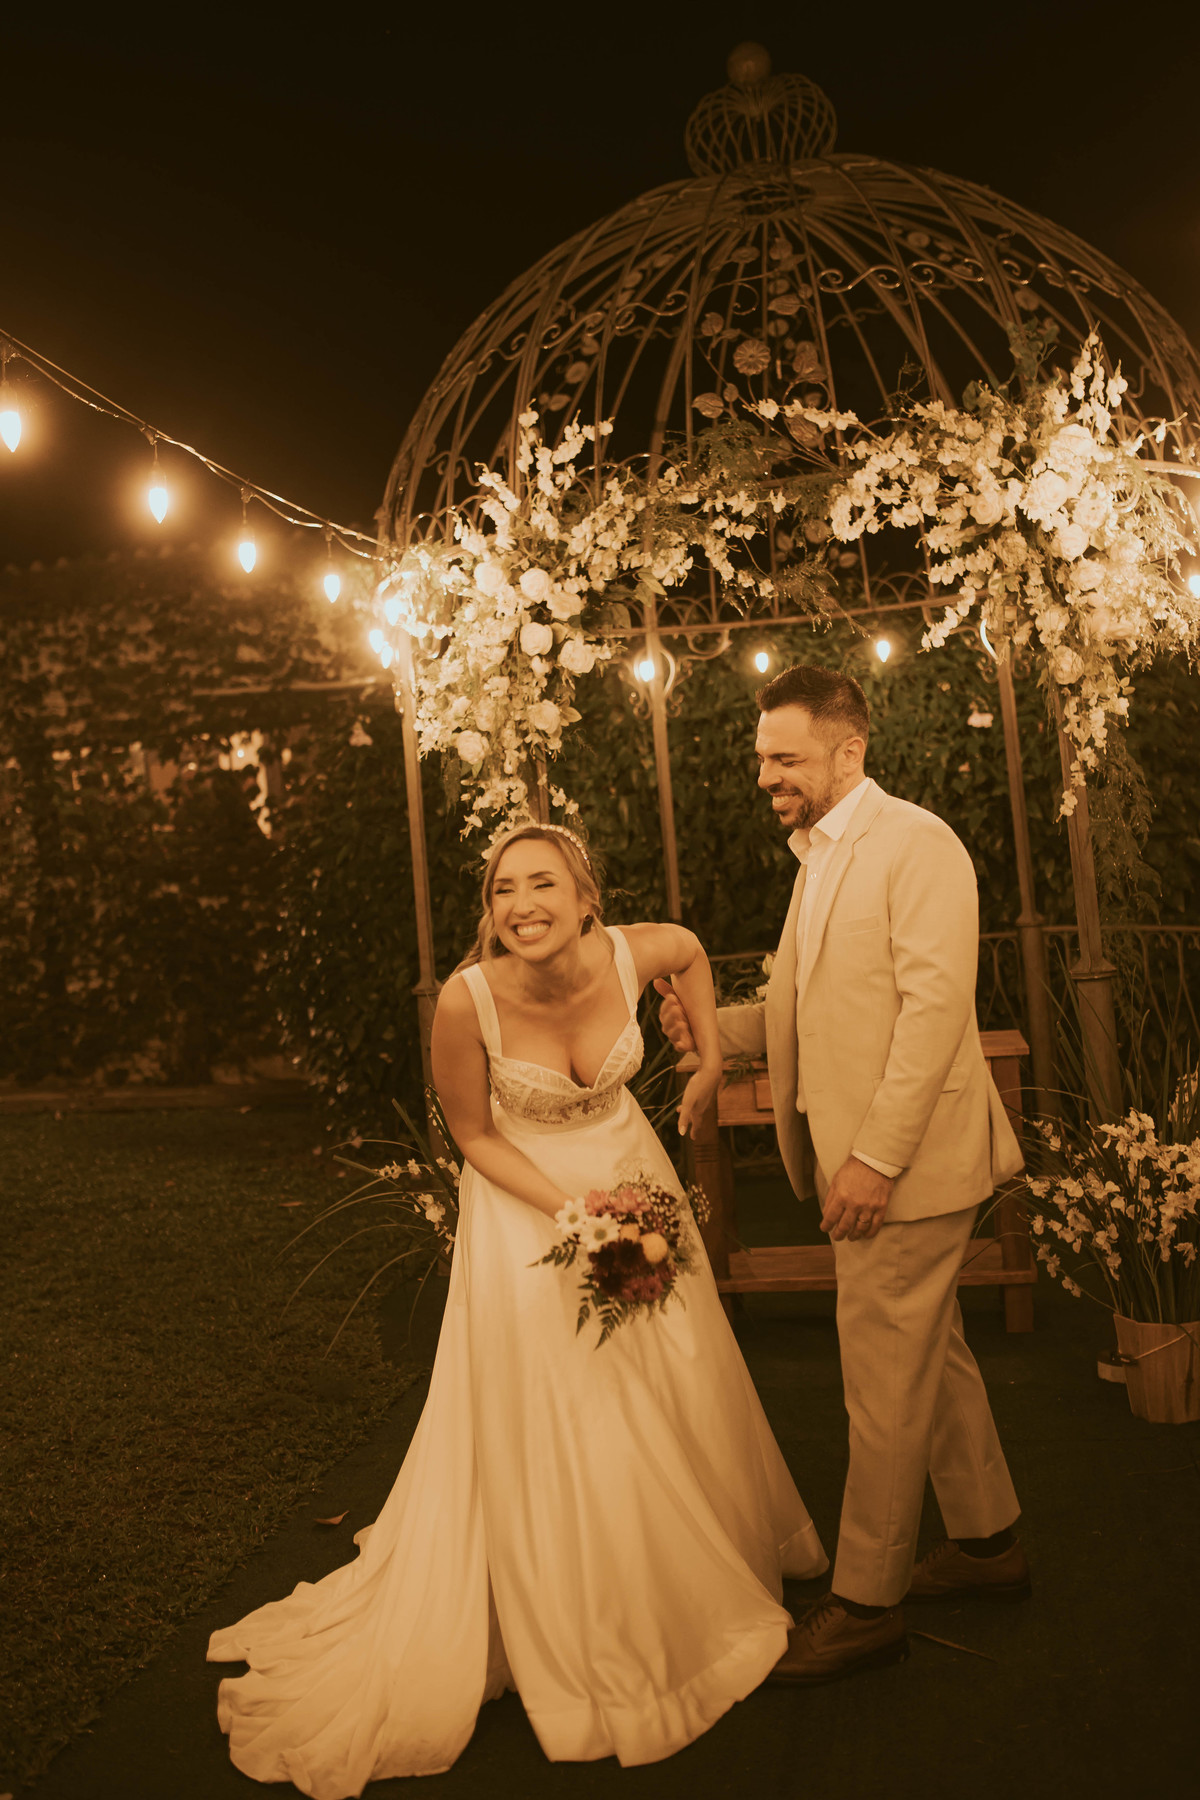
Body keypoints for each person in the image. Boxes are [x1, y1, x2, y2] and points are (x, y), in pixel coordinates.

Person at [208, 821, 827, 1796]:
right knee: (574, 1398)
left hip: (630, 1169)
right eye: (503, 889)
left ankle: (692, 1555)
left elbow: (692, 953)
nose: (522, 905)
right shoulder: (469, 1000)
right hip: (525, 1205)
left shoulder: (630, 951)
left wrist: (710, 1061)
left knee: (673, 1365)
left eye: (543, 884)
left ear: (586, 901)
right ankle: (581, 1599)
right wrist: (578, 1215)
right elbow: (474, 1135)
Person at [657, 663, 1029, 1689]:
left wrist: (872, 1161)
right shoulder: (818, 858)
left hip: (904, 1170)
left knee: (882, 1382)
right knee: (930, 1357)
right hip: (878, 1165)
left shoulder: (918, 845)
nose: (765, 776)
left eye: (784, 757)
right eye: (762, 758)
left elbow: (933, 1015)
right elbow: (812, 1012)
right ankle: (990, 1541)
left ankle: (868, 1602)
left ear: (848, 750)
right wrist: (715, 1030)